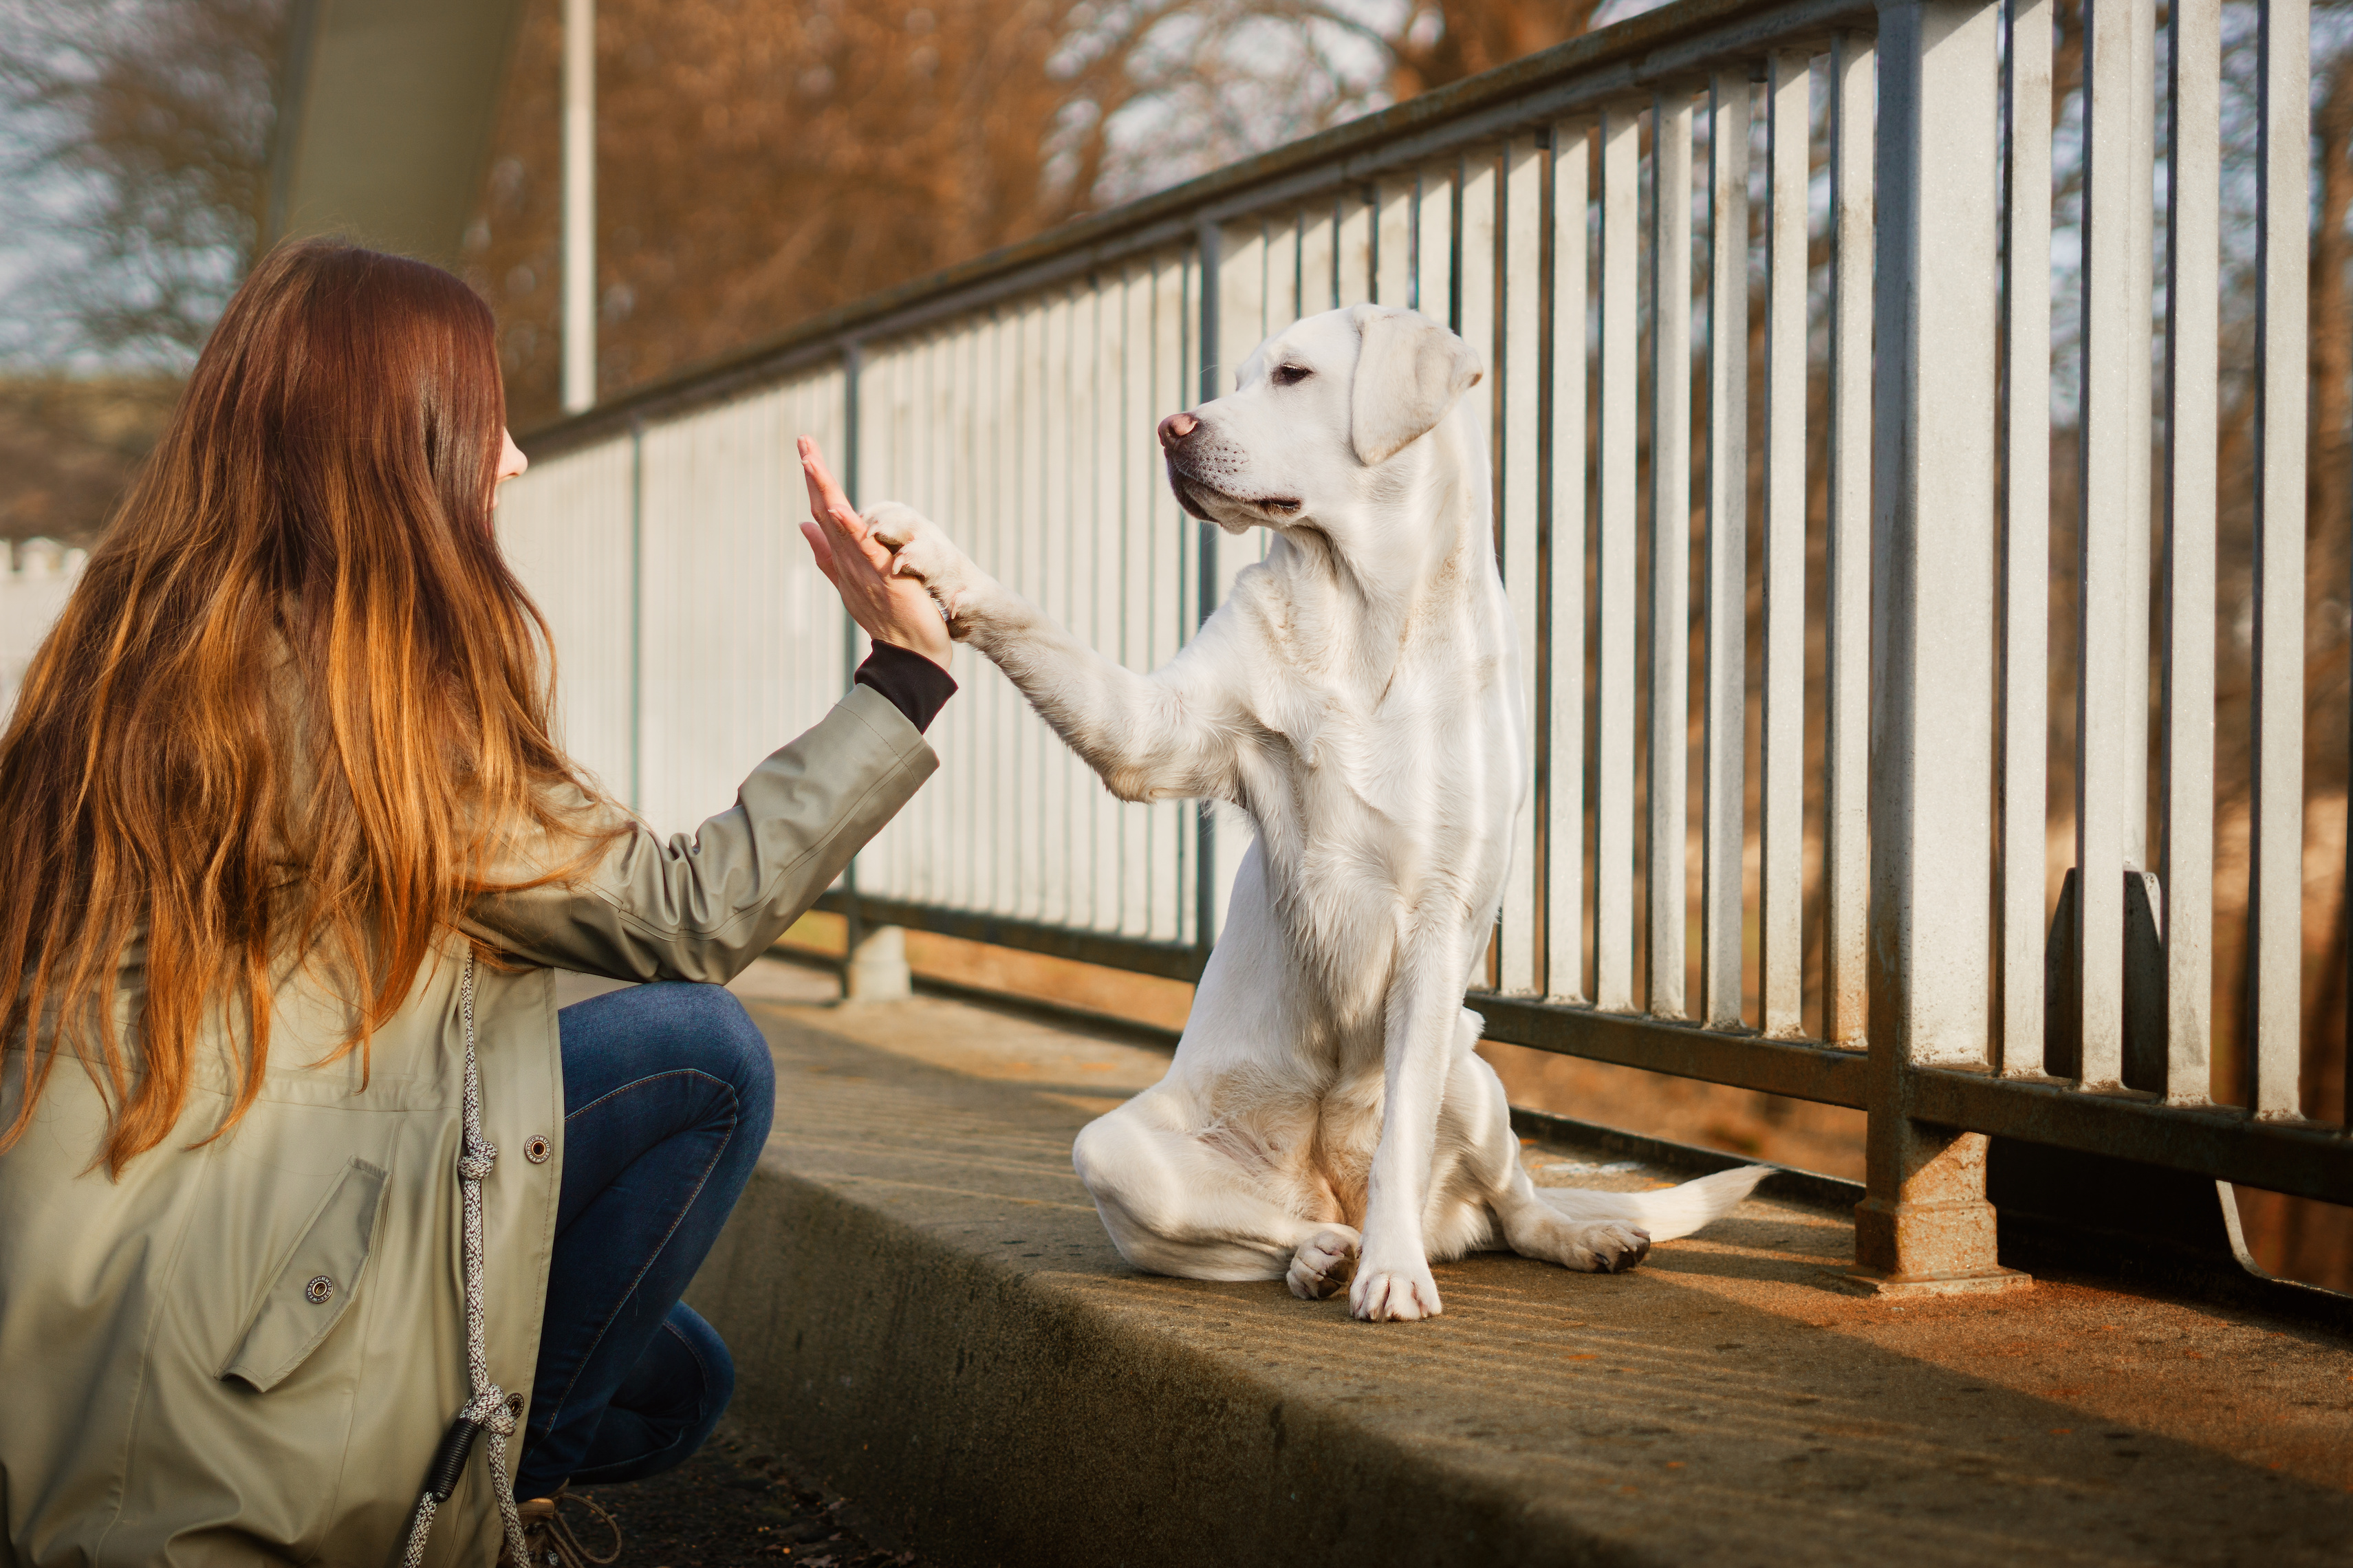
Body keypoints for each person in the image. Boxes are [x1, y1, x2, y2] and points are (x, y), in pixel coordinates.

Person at [0, 240, 950, 1567]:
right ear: (399, 442)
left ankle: (501, 1478)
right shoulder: (347, 708)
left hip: (118, 1256)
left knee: (678, 1379)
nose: (512, 461)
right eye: (487, 421)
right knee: (703, 1053)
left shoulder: (140, 630)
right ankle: (492, 1512)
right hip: (212, 1357)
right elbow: (686, 912)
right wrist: (903, 671)